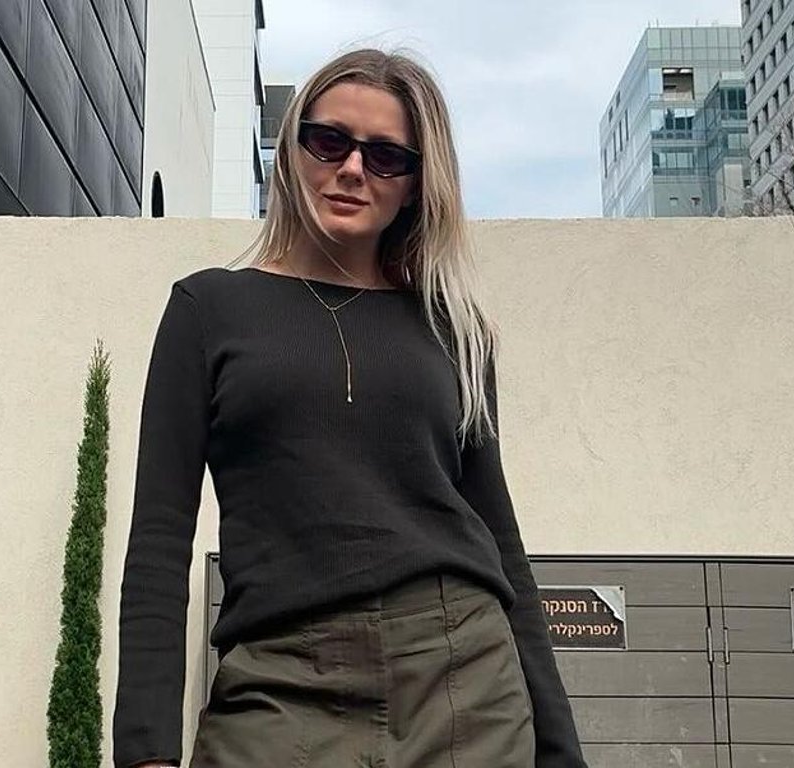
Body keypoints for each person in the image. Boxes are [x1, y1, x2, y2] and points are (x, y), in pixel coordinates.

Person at [113, 48, 586, 768]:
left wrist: (560, 750)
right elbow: (158, 536)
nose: (353, 168)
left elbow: (500, 537)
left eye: (386, 155)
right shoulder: (207, 310)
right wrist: (146, 749)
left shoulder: (454, 330)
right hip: (280, 681)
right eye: (329, 140)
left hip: (461, 675)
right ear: (291, 150)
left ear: (416, 184)